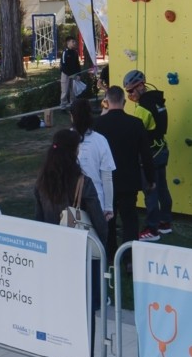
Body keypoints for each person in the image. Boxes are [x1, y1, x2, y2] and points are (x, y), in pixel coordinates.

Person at [94, 86, 149, 240]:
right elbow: (146, 155)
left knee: (108, 218)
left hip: (106, 179)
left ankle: (110, 251)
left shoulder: (97, 124)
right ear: (124, 102)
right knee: (130, 219)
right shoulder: (136, 123)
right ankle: (129, 253)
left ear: (106, 101)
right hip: (129, 179)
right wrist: (150, 179)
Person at [70, 96, 118, 254]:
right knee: (97, 245)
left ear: (72, 116)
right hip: (96, 199)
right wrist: (109, 206)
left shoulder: (66, 138)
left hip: (70, 198)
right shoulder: (100, 140)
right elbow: (107, 177)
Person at [126, 70, 172, 228]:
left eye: (131, 91)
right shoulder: (157, 101)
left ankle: (152, 228)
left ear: (141, 86)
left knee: (150, 190)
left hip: (150, 154)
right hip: (162, 149)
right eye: (127, 92)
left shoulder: (142, 108)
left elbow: (136, 133)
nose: (129, 95)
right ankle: (165, 222)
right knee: (163, 188)